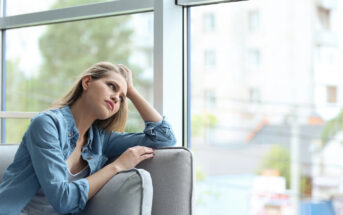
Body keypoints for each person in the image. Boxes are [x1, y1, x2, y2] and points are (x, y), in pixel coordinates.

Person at [0, 62, 176, 215]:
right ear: (87, 82)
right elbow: (63, 200)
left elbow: (164, 138)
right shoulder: (47, 124)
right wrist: (117, 166)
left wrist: (131, 91)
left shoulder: (101, 140)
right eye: (112, 86)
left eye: (122, 99)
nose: (116, 98)